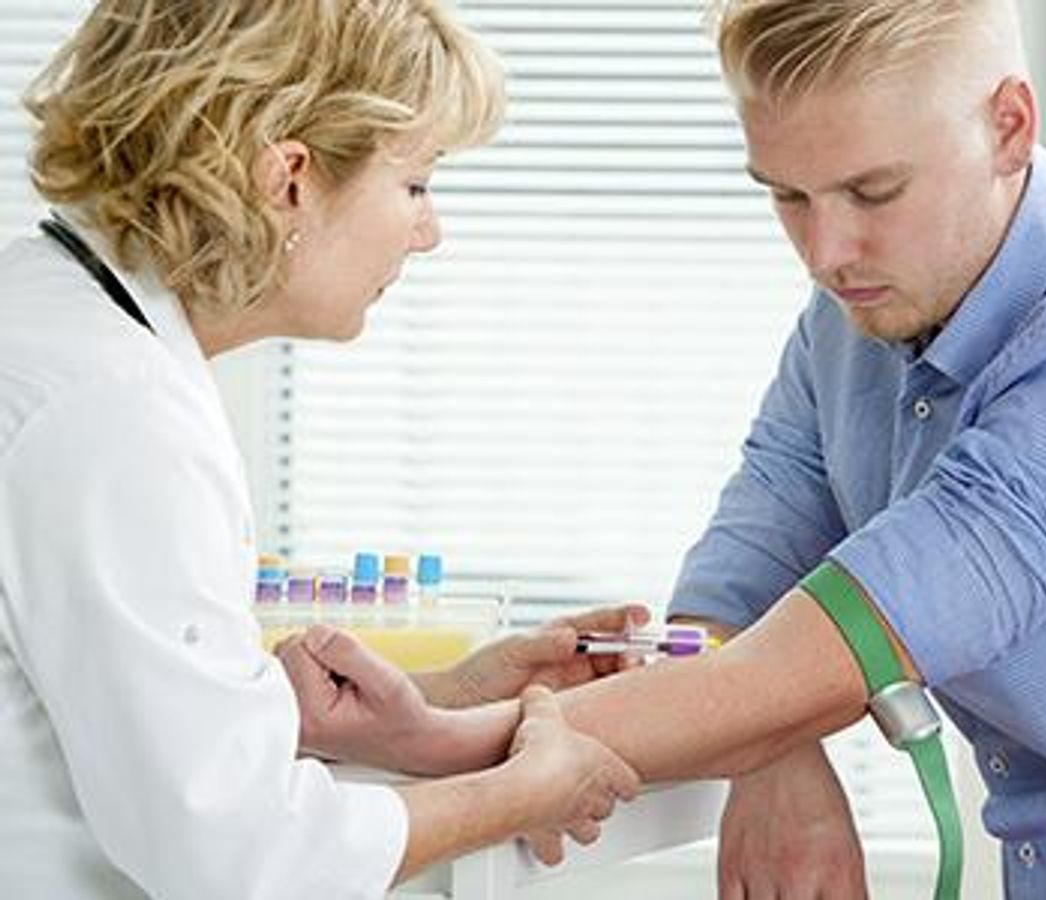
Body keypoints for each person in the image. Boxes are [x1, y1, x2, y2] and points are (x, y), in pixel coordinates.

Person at [278, 0, 1046, 896]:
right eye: (787, 195)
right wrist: (771, 753)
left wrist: (439, 735)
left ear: (1008, 127)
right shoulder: (859, 313)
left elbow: (824, 655)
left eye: (874, 192)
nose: (825, 252)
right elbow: (738, 591)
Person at [0, 2, 647, 898]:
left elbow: (103, 714)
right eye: (416, 184)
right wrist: (518, 794)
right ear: (290, 179)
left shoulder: (49, 316)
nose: (429, 232)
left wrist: (440, 696)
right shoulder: (115, 418)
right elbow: (239, 854)